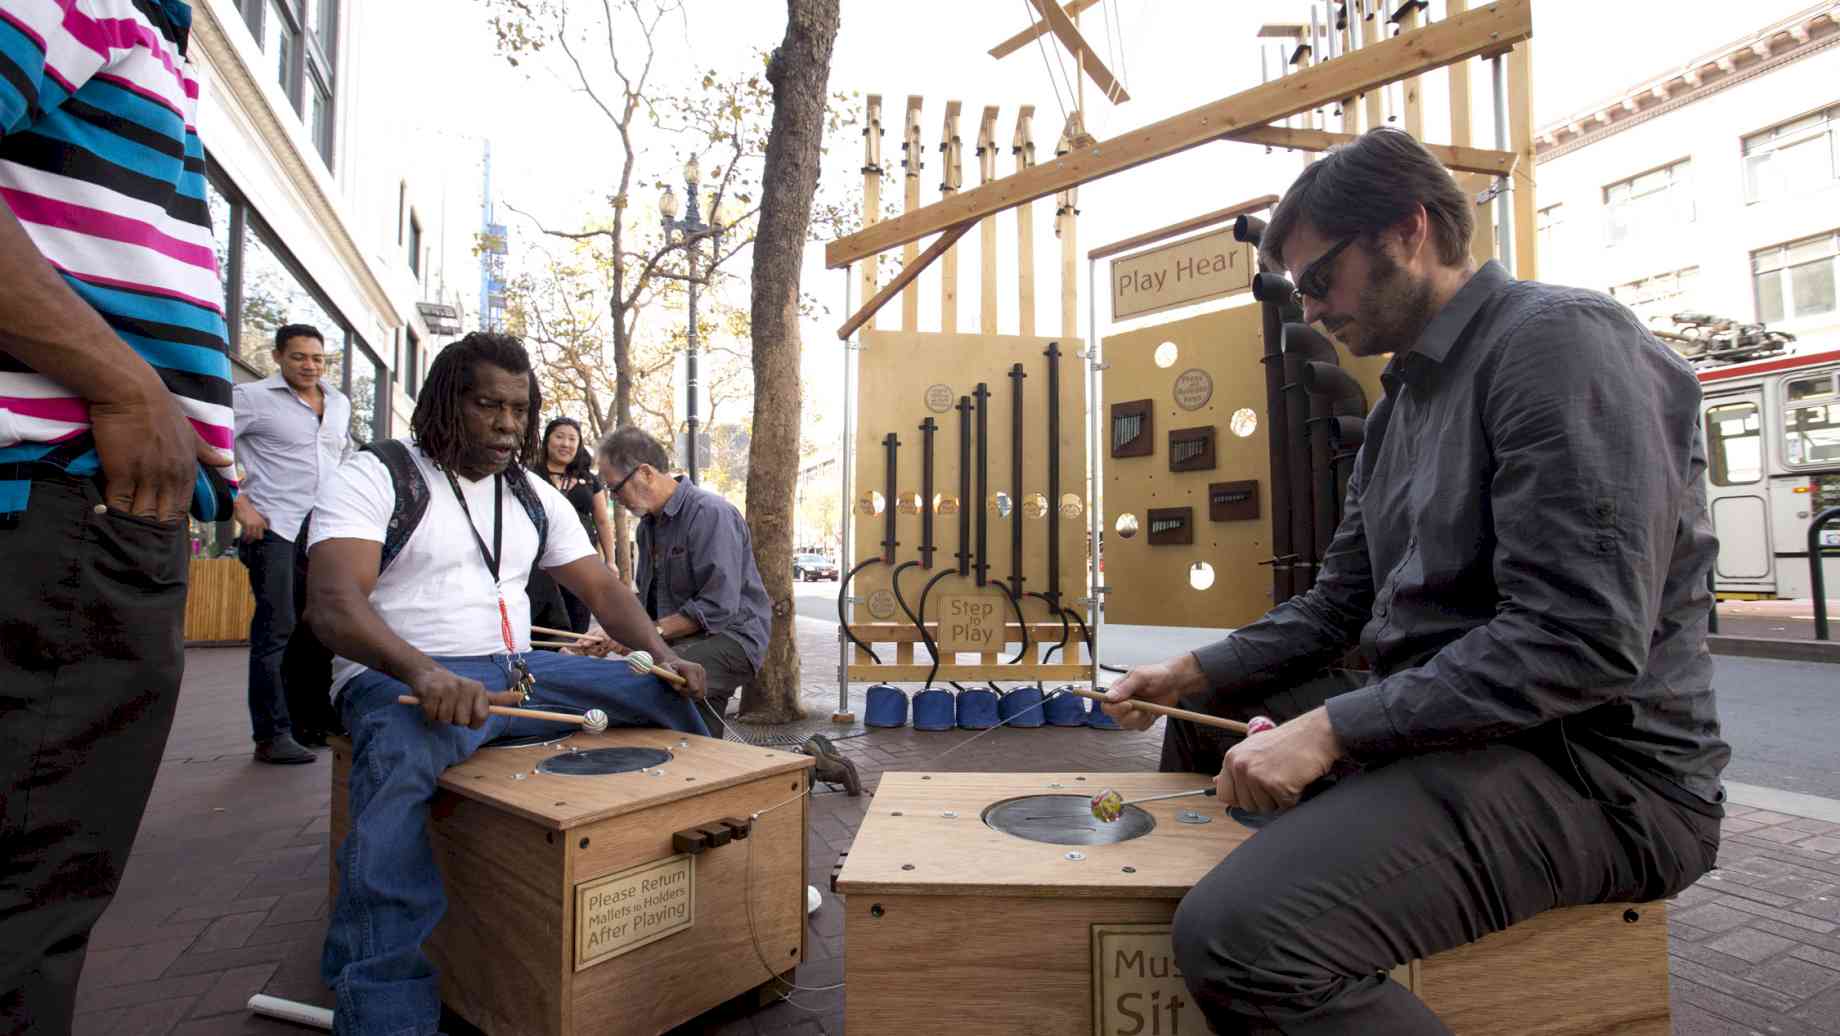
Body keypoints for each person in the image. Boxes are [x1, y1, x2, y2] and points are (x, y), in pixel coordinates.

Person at [1102, 128, 1728, 1035]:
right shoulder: (1401, 407)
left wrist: (1332, 730)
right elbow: (1336, 605)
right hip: (1479, 732)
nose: (1310, 311)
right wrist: (1192, 673)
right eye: (1295, 291)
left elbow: (1580, 641)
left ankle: (1293, 933)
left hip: (1601, 771)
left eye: (1320, 280)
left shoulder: (1560, 343)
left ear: (1410, 229)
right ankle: (1338, 899)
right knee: (1220, 727)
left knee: (1243, 936)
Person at [307, 333, 708, 1035]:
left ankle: (732, 878)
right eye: (487, 404)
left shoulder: (530, 494)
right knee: (398, 769)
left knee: (665, 694)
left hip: (517, 673)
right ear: (443, 401)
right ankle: (381, 1006)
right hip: (399, 676)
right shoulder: (375, 475)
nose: (506, 425)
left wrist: (658, 656)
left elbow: (604, 589)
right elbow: (333, 606)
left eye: (518, 410)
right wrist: (423, 671)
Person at [0, 2, 237, 1030]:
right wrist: (126, 386)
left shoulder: (151, 36)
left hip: (93, 507)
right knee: (31, 898)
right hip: (64, 499)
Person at [587, 427, 770, 737]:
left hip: (734, 638)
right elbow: (647, 607)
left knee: (652, 679)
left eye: (615, 489)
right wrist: (614, 634)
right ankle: (816, 765)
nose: (614, 500)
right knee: (698, 736)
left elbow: (718, 608)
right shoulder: (647, 528)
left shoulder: (710, 513)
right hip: (686, 642)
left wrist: (651, 633)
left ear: (644, 473)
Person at [232, 324, 352, 763]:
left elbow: (342, 459)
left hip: (321, 530)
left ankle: (314, 721)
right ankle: (271, 734)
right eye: (300, 357)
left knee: (319, 627)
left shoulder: (339, 403)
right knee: (276, 628)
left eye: (317, 358)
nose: (310, 366)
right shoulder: (251, 399)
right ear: (279, 357)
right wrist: (238, 502)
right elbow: (206, 442)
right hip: (275, 527)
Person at [528, 416, 617, 633]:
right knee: (541, 624)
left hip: (579, 562)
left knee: (577, 623)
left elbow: (603, 522)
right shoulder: (529, 475)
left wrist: (611, 561)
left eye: (572, 439)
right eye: (559, 437)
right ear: (547, 439)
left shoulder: (590, 479)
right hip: (538, 566)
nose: (565, 444)